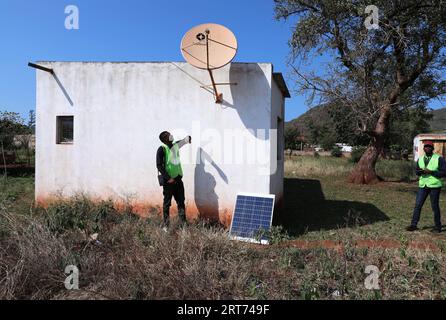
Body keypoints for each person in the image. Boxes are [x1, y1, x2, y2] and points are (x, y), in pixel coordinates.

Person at [406, 141, 446, 233]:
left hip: (434, 186)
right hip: (423, 185)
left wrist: (431, 172)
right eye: (426, 146)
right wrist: (420, 172)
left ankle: (438, 227)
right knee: (418, 205)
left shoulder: (439, 159)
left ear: (433, 148)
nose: (427, 148)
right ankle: (413, 225)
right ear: (423, 148)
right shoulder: (420, 159)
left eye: (429, 147)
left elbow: (444, 172)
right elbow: (417, 171)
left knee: (434, 206)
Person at [156, 131, 191, 228]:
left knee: (181, 202)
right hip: (169, 182)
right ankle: (166, 225)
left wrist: (187, 139)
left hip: (178, 180)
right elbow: (159, 166)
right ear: (164, 139)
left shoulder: (175, 145)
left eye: (170, 134)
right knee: (167, 203)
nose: (170, 136)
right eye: (168, 135)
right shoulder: (162, 149)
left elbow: (183, 141)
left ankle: (183, 224)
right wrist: (168, 178)